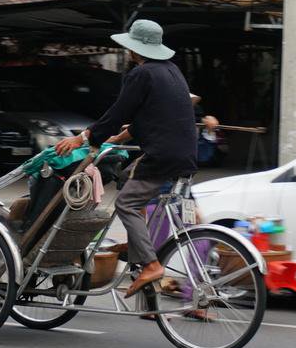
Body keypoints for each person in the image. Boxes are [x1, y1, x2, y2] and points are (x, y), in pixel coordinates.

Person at [55, 19, 197, 298]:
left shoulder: (141, 75)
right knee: (132, 189)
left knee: (126, 203)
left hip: (161, 155)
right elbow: (154, 116)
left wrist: (82, 138)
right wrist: (119, 139)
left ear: (134, 50)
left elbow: (118, 112)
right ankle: (137, 255)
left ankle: (151, 264)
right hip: (184, 154)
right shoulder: (172, 71)